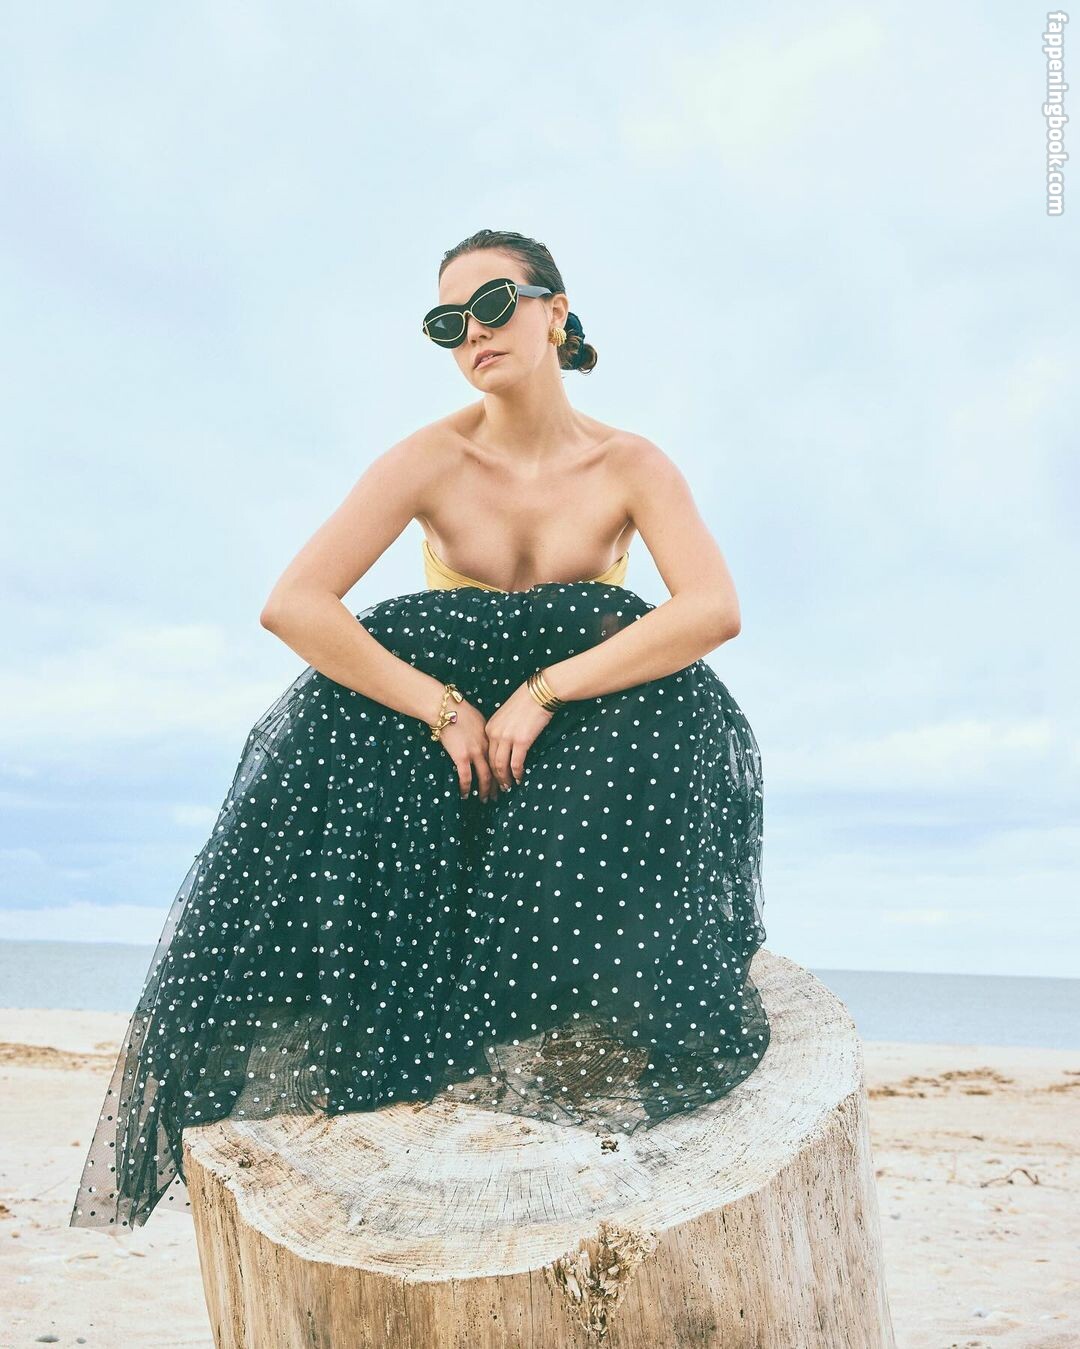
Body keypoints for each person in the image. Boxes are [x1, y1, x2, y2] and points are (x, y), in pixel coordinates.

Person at [69, 228, 771, 1231]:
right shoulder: (431, 456)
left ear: (556, 312)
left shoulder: (631, 463)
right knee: (350, 713)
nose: (473, 331)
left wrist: (547, 690)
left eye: (495, 304)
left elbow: (711, 608)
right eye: (449, 321)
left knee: (672, 698)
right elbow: (296, 603)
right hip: (436, 739)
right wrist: (442, 707)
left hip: (566, 736)